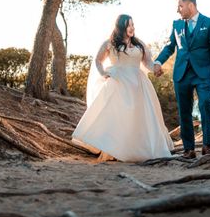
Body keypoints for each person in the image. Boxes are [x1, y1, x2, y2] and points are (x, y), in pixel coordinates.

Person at [72, 14, 174, 162]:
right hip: (117, 82)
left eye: (133, 24)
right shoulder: (110, 43)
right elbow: (98, 60)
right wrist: (103, 73)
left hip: (137, 84)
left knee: (139, 116)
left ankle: (139, 149)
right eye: (128, 25)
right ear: (121, 27)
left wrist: (156, 69)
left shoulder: (139, 45)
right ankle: (114, 149)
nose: (132, 28)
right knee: (117, 116)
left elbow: (147, 63)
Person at [154, 0, 210, 159]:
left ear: (191, 5)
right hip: (182, 74)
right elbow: (169, 47)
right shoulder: (177, 25)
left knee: (205, 105)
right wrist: (158, 62)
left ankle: (207, 146)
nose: (177, 10)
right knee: (184, 111)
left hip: (203, 73)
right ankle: (189, 149)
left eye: (180, 6)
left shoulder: (209, 23)